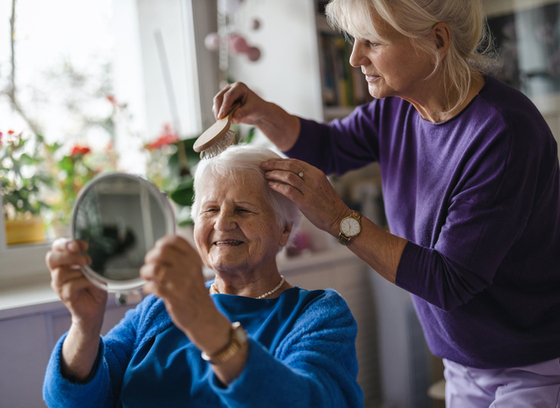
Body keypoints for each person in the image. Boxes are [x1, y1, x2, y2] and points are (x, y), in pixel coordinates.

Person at [212, 0, 560, 406]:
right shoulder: (395, 108)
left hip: (535, 366)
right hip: (464, 364)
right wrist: (263, 113)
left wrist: (339, 219)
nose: (356, 56)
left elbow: (449, 281)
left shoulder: (503, 133)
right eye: (355, 40)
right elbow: (329, 147)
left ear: (437, 39)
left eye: (372, 42)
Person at [43, 145, 364, 408]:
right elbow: (72, 400)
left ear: (283, 229)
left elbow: (309, 401)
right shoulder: (156, 309)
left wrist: (202, 321)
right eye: (210, 210)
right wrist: (84, 326)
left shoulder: (317, 314)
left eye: (243, 209)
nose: (222, 223)